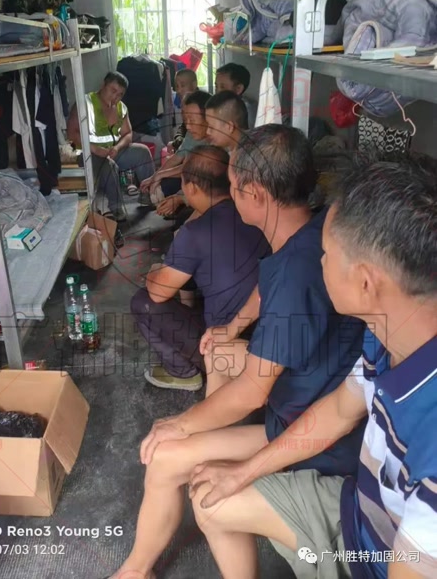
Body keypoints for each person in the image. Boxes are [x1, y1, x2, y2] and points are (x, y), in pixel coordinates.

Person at [104, 125, 366, 579]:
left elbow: (251, 392)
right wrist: (232, 326)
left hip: (312, 430)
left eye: (234, 186)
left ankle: (135, 571)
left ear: (255, 194)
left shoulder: (295, 275)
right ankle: (210, 442)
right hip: (316, 388)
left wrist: (180, 424)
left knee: (168, 457)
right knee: (220, 353)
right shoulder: (316, 226)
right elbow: (266, 285)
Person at [188, 152, 437, 579]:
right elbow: (339, 411)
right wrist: (243, 472)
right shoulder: (386, 334)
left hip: (381, 562)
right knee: (212, 497)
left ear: (365, 282)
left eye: (325, 254)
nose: (318, 263)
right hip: (356, 513)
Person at [131, 146, 269, 392]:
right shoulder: (254, 213)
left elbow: (158, 293)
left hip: (223, 346)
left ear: (192, 188)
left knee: (143, 301)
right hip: (268, 343)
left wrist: (154, 270)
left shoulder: (195, 232)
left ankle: (182, 372)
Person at [66, 71, 155, 221]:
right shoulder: (85, 103)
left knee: (142, 152)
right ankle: (116, 207)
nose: (115, 97)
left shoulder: (121, 108)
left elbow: (128, 134)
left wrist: (117, 148)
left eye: (120, 94)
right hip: (88, 154)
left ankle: (149, 194)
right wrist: (95, 149)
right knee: (109, 166)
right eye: (113, 91)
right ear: (103, 85)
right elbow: (71, 134)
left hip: (111, 151)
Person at [154, 90, 212, 219]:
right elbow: (184, 165)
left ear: (209, 118)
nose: (188, 126)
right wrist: (156, 176)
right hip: (197, 189)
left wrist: (180, 199)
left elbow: (213, 194)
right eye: (186, 119)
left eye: (192, 120)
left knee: (184, 219)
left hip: (211, 198)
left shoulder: (217, 147)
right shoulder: (193, 134)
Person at [216, 62, 257, 128]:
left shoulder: (249, 111)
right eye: (216, 86)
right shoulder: (218, 107)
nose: (218, 91)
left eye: (223, 87)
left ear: (238, 89)